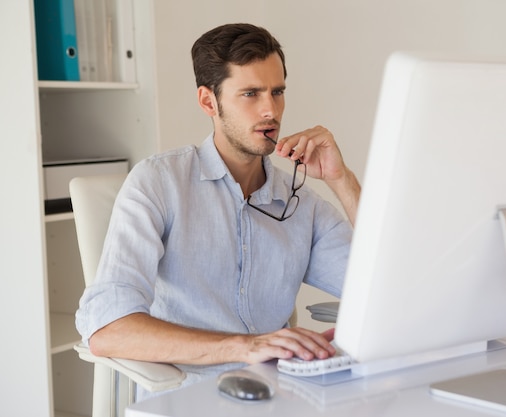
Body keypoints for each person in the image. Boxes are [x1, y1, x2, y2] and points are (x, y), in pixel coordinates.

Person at [75, 23, 361, 391]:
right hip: (189, 392)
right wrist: (245, 347)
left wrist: (341, 179)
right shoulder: (159, 183)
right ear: (209, 101)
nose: (270, 110)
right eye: (250, 94)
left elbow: (392, 287)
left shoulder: (302, 203)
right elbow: (107, 328)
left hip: (286, 393)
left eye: (277, 92)